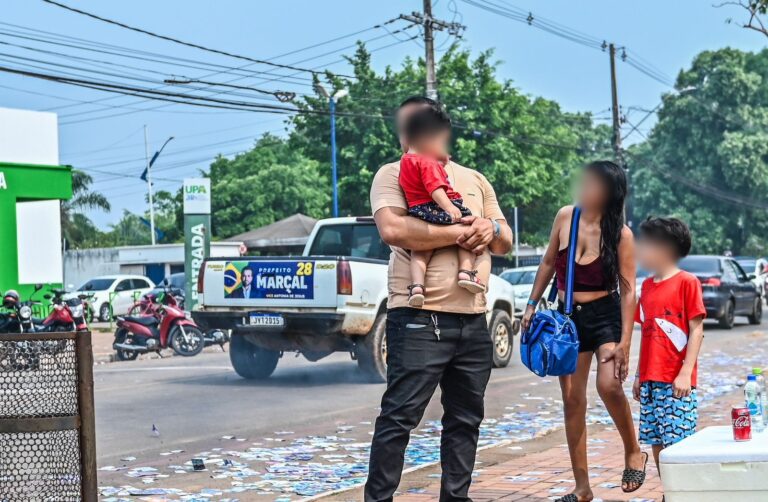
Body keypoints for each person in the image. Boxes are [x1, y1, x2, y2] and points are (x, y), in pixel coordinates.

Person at [365, 96, 512, 502]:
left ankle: (456, 497)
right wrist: (465, 231)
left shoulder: (475, 179)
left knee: (465, 421)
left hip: (472, 320)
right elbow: (395, 230)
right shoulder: (392, 173)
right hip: (417, 318)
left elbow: (505, 240)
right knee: (399, 418)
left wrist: (490, 228)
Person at [522, 161, 646, 502]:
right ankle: (582, 488)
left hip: (605, 316)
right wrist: (531, 305)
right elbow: (548, 262)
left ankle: (632, 450)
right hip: (567, 319)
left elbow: (629, 289)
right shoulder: (566, 217)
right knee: (572, 400)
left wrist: (624, 344)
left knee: (608, 385)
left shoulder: (620, 235)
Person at [632, 217, 705, 494]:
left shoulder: (688, 282)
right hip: (651, 380)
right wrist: (640, 374)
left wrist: (686, 372)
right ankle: (671, 493)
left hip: (677, 382)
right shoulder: (648, 287)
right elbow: (647, 333)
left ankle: (686, 494)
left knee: (679, 445)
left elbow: (696, 330)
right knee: (658, 443)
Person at [398, 105, 484, 307]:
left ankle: (417, 287)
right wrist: (449, 207)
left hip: (418, 210)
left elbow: (417, 182)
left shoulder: (406, 160)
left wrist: (440, 160)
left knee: (420, 251)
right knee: (468, 232)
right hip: (437, 207)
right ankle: (466, 272)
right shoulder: (427, 161)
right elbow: (434, 187)